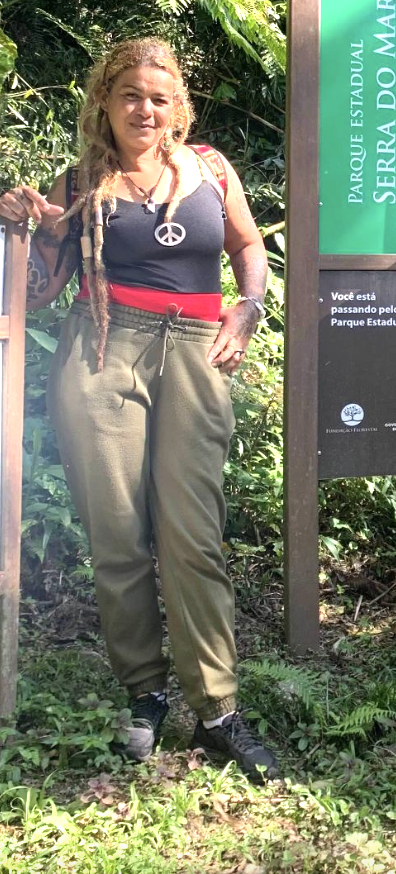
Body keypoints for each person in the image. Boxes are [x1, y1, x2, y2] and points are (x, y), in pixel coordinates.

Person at [0, 38, 280, 781]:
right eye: (130, 94)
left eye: (158, 97)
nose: (144, 109)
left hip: (195, 354)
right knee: (118, 535)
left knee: (194, 537)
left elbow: (248, 248)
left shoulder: (211, 170)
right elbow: (36, 295)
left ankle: (217, 708)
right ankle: (145, 691)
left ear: (176, 105)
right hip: (103, 351)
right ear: (106, 100)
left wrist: (249, 307)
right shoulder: (81, 183)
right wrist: (25, 231)